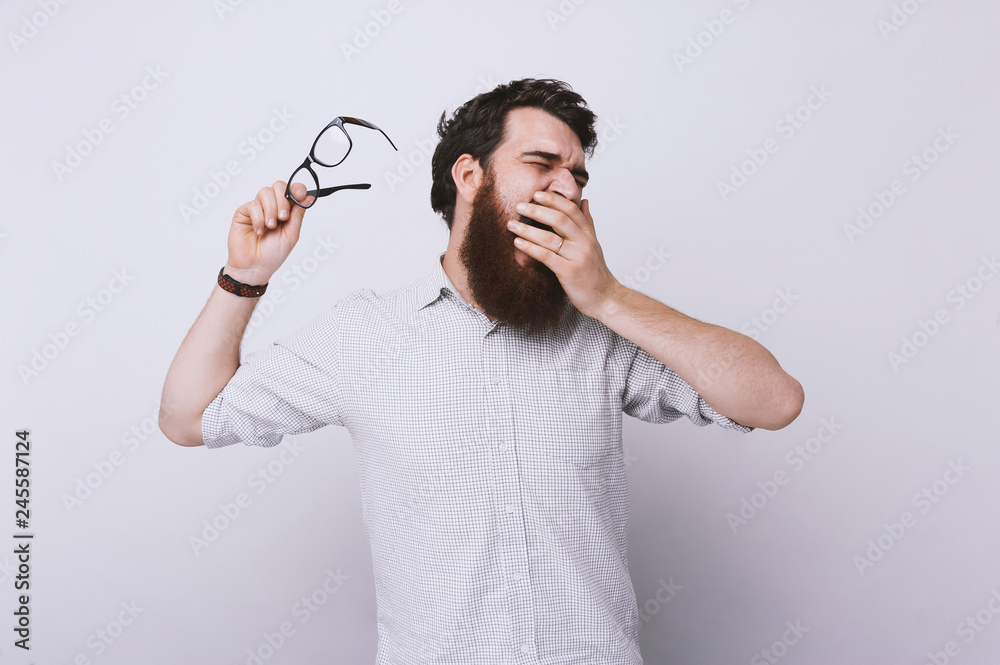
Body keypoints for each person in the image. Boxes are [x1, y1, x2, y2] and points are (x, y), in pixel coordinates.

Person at [160, 78, 804, 665]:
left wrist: (606, 296)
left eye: (578, 175)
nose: (569, 189)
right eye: (541, 163)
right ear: (469, 175)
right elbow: (189, 418)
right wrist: (244, 277)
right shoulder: (365, 335)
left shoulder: (604, 332)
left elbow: (774, 401)